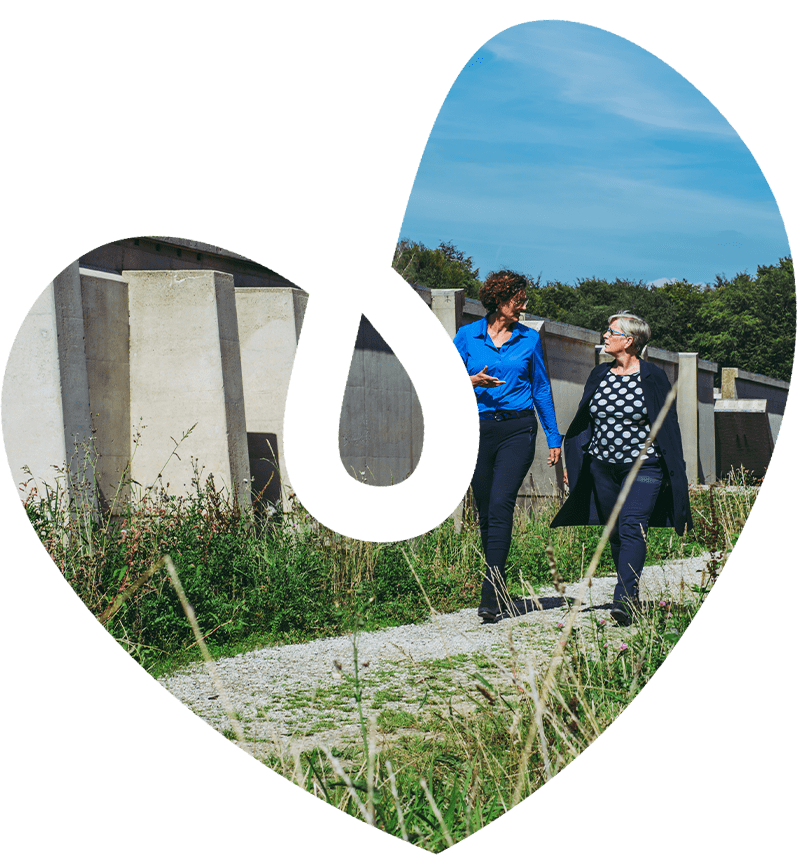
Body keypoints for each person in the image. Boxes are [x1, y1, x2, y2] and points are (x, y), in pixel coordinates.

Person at [550, 311, 692, 625]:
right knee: (615, 532)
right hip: (602, 466)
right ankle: (630, 592)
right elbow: (584, 421)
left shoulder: (652, 376)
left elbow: (669, 425)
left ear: (628, 341)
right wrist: (573, 463)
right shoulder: (599, 374)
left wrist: (676, 471)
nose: (604, 335)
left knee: (632, 526)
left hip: (644, 466)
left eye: (611, 331)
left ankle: (623, 599)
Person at [453, 270, 562, 622]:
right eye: (519, 301)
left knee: (501, 503)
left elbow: (541, 388)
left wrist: (553, 436)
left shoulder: (528, 339)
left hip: (518, 429)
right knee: (486, 510)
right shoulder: (467, 336)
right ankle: (498, 589)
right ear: (500, 301)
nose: (524, 306)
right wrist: (472, 380)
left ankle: (490, 594)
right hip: (477, 430)